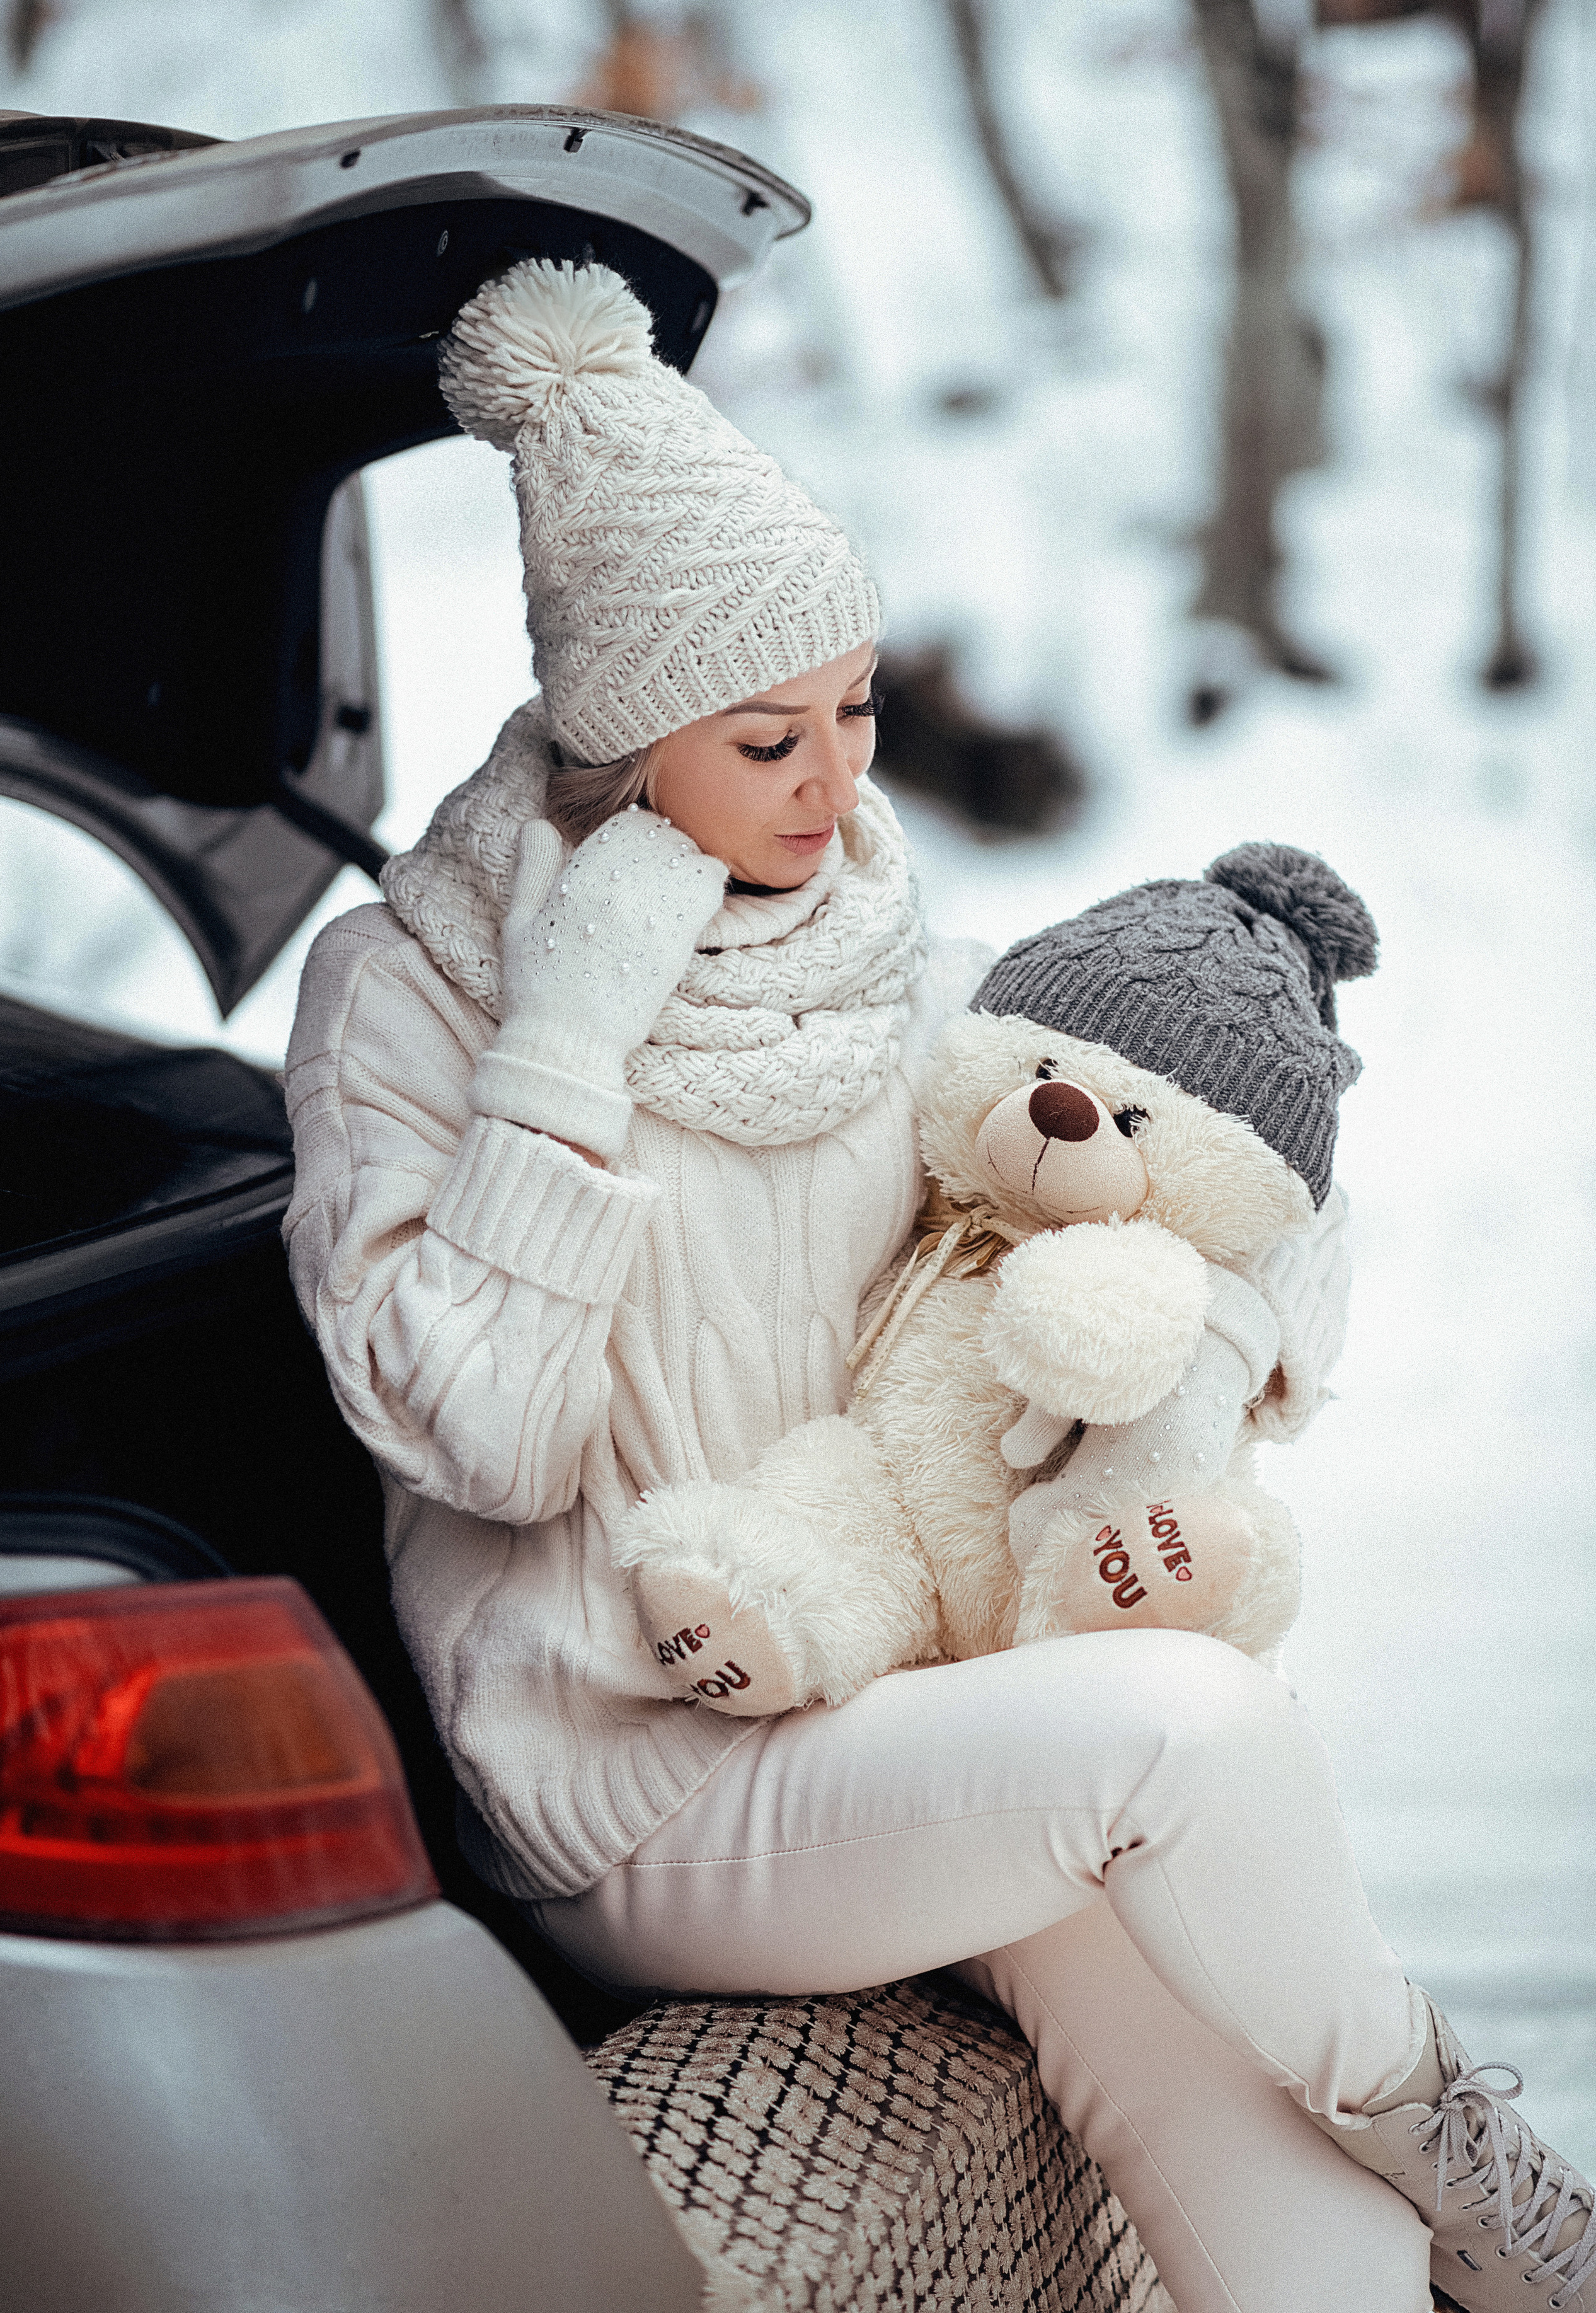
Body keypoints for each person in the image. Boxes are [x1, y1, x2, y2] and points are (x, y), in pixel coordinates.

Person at [284, 258, 1592, 2313]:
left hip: (904, 1688)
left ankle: (1406, 2213)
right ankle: (1488, 2179)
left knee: (1201, 2075)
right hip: (633, 1768)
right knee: (1190, 1735)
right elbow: (493, 1442)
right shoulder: (417, 995)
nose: (835, 780)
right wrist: (567, 1046)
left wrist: (1204, 1341)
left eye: (857, 709)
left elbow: (1117, 1199)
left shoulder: (863, 934)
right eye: (767, 733)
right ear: (625, 740)